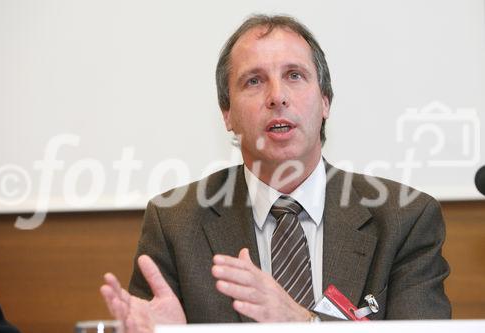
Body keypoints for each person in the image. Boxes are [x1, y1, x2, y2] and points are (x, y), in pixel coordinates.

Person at [100, 14, 451, 332]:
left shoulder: (406, 219)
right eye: (254, 81)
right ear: (227, 114)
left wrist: (301, 321)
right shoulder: (175, 224)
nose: (277, 96)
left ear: (325, 101)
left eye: (294, 76)